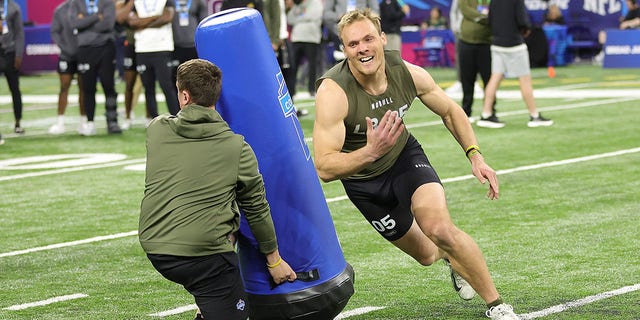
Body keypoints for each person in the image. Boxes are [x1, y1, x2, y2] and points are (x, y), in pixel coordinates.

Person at [313, 9, 519, 320]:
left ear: (383, 39)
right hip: (363, 182)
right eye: (353, 44)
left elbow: (450, 111)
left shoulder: (407, 72)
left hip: (404, 159)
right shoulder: (333, 92)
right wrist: (370, 152)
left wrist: (475, 155)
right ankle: (452, 259)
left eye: (368, 39)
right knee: (427, 254)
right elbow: (324, 167)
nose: (363, 48)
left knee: (439, 229)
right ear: (344, 50)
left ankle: (497, 305)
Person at [139, 58, 296, 320]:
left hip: (156, 247)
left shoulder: (156, 130)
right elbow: (256, 210)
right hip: (202, 257)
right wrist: (275, 261)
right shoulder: (237, 148)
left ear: (184, 95)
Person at [478, 0, 553, 128]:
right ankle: (534, 115)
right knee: (525, 79)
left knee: (494, 78)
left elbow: (489, 19)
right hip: (514, 43)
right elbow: (522, 20)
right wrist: (526, 29)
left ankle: (486, 114)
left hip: (497, 43)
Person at [70, 0, 122, 135]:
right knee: (87, 87)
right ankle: (90, 122)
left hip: (105, 47)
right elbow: (75, 24)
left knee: (108, 84)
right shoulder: (76, 3)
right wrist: (96, 17)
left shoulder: (107, 2)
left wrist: (85, 22)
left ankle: (112, 120)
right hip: (85, 49)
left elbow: (108, 24)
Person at [129, 0, 180, 121]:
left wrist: (143, 23)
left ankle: (177, 118)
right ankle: (153, 119)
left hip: (162, 47)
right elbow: (132, 22)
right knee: (148, 87)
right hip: (142, 48)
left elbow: (167, 18)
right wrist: (155, 17)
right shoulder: (137, 2)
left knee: (166, 85)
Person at [49, 0, 87, 135]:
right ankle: (60, 123)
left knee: (84, 88)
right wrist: (64, 48)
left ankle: (83, 123)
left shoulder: (86, 7)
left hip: (84, 53)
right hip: (66, 55)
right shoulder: (60, 10)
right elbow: (55, 32)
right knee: (64, 87)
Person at [457, 0, 495, 123]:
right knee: (467, 79)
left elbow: (496, 13)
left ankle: (490, 111)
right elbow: (465, 11)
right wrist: (484, 18)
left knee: (489, 79)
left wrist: (482, 18)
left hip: (486, 43)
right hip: (466, 41)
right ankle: (466, 112)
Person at [286, 0, 323, 99]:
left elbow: (313, 16)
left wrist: (298, 18)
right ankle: (291, 91)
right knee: (293, 67)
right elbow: (289, 19)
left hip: (311, 39)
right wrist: (303, 18)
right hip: (297, 38)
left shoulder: (316, 3)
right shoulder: (297, 5)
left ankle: (311, 90)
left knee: (312, 66)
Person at [116, 0, 142, 130]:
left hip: (149, 46)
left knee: (149, 86)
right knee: (129, 84)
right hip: (131, 45)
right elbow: (120, 18)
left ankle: (150, 117)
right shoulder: (124, 3)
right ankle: (127, 116)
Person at [170, 0, 208, 85]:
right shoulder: (168, 1)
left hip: (193, 46)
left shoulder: (198, 2)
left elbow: (203, 23)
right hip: (174, 46)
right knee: (175, 79)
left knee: (195, 78)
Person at [1, 0, 24, 134]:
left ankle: (18, 122)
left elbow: (19, 32)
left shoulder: (13, 7)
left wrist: (19, 54)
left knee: (15, 89)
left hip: (10, 52)